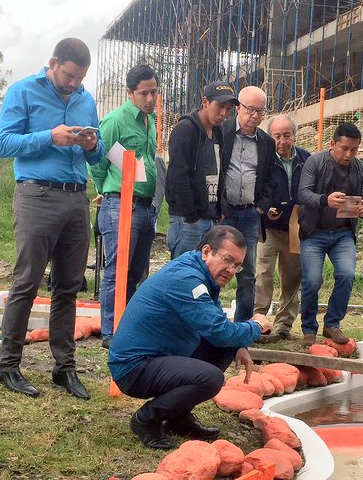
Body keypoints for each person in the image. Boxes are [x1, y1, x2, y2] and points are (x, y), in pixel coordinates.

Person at [0, 37, 104, 400]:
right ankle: (8, 365)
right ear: (53, 63)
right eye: (69, 75)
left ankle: (64, 367)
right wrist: (49, 137)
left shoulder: (86, 100)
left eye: (80, 78)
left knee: (69, 286)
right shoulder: (23, 91)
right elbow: (3, 144)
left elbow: (98, 154)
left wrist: (92, 145)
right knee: (26, 282)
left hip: (77, 198)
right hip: (36, 195)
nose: (74, 83)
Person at [109, 225, 271, 450]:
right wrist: (256, 326)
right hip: (133, 368)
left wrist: (238, 345)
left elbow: (216, 323)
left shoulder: (200, 271)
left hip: (157, 356)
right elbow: (220, 331)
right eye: (227, 260)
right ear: (206, 252)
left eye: (237, 265)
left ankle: (177, 416)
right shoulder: (187, 279)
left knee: (226, 347)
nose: (231, 270)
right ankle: (146, 419)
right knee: (210, 378)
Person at [89, 64, 159, 346]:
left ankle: (126, 327)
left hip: (145, 205)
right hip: (120, 203)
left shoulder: (150, 121)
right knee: (116, 271)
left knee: (136, 272)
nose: (150, 99)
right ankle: (111, 332)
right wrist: (105, 190)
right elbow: (96, 161)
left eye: (154, 92)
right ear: (130, 93)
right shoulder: (116, 120)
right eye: (144, 93)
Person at [296, 122, 363, 347]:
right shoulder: (315, 162)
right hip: (313, 232)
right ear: (332, 144)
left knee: (347, 274)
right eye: (344, 149)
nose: (348, 154)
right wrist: (325, 200)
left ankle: (332, 323)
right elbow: (302, 194)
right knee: (312, 280)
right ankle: (308, 328)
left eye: (354, 150)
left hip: (343, 234)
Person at [219, 85, 276, 321]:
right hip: (224, 213)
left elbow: (270, 178)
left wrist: (261, 207)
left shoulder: (266, 142)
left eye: (260, 111)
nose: (255, 116)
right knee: (216, 267)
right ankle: (211, 320)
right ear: (238, 108)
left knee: (248, 272)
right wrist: (219, 206)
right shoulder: (221, 132)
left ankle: (242, 325)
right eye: (250, 110)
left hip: (250, 214)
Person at [165, 82, 237, 257]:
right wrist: (191, 214)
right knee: (185, 270)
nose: (223, 113)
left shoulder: (218, 132)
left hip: (211, 218)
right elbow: (178, 176)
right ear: (205, 102)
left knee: (206, 271)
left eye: (228, 109)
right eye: (219, 106)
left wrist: (219, 209)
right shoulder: (185, 130)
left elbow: (220, 172)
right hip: (188, 220)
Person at [254, 114, 308, 342]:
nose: (282, 141)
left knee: (292, 278)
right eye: (277, 136)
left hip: (295, 228)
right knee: (262, 275)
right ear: (270, 137)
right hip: (268, 228)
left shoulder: (306, 159)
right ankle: (258, 322)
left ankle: (283, 325)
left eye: (287, 135)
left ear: (294, 135)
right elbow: (257, 189)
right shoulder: (263, 158)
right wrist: (265, 208)